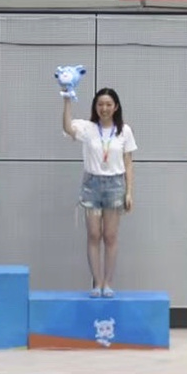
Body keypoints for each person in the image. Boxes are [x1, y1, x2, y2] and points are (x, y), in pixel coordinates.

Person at [62, 88, 136, 297]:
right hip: (91, 185)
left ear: (116, 107)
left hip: (115, 185)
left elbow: (128, 163)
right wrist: (67, 100)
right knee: (94, 235)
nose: (104, 108)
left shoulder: (124, 130)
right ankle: (97, 282)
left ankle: (108, 283)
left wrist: (129, 192)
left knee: (110, 236)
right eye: (100, 104)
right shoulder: (87, 128)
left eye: (108, 104)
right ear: (95, 107)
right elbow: (67, 127)